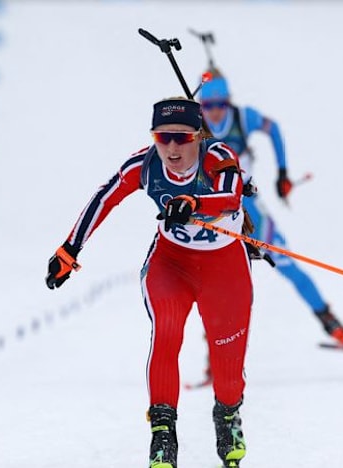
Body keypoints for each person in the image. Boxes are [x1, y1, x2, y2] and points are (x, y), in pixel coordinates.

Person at [45, 97, 250, 468]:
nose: (172, 147)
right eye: (163, 137)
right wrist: (69, 249)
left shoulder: (218, 157)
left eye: (182, 138)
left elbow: (232, 196)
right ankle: (163, 434)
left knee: (228, 369)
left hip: (225, 270)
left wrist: (192, 202)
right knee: (167, 332)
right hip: (173, 264)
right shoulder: (146, 164)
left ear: (198, 136)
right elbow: (105, 198)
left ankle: (228, 414)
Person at [198, 70, 343, 348]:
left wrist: (282, 172)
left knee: (287, 264)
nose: (214, 112)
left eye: (220, 105)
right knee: (217, 284)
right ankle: (215, 355)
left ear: (228, 102)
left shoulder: (242, 118)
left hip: (248, 207)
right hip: (215, 211)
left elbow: (272, 129)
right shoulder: (197, 124)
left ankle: (330, 322)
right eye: (208, 106)